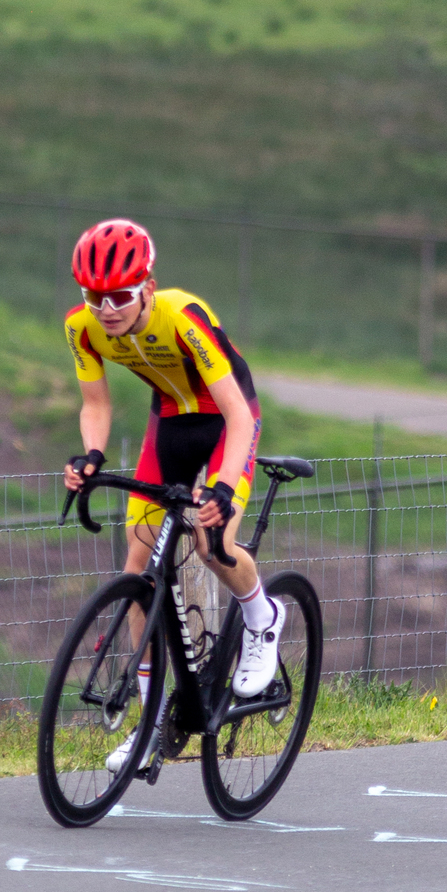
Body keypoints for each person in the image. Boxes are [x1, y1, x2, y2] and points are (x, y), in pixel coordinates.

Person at [62, 216, 281, 768]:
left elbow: (235, 411)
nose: (106, 308)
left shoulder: (181, 316)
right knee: (139, 571)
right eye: (94, 296)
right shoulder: (81, 328)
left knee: (211, 544)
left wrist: (225, 488)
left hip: (225, 422)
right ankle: (152, 719)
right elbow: (96, 404)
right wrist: (91, 456)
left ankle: (263, 618)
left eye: (120, 296)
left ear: (148, 289)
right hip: (171, 428)